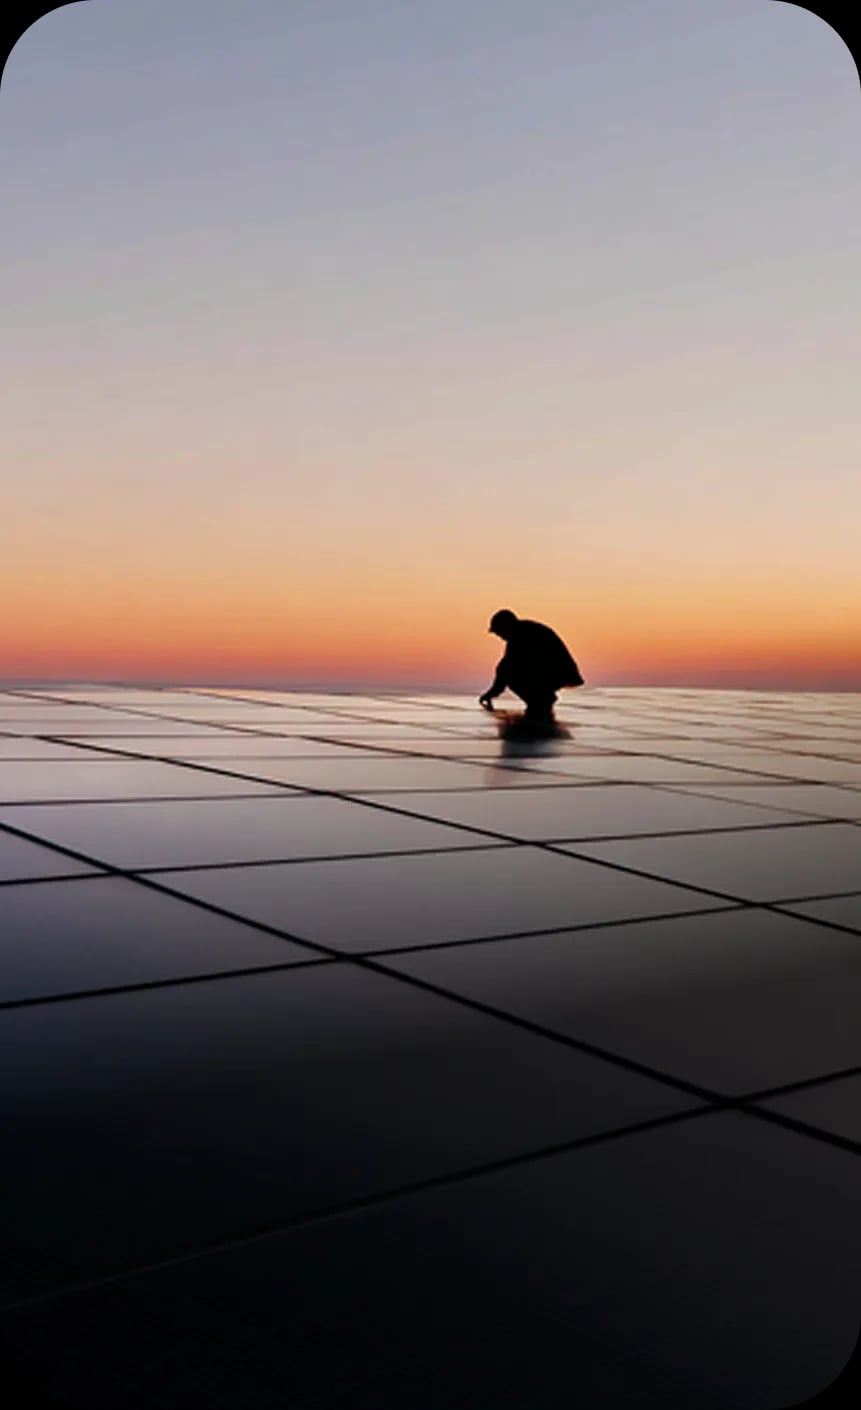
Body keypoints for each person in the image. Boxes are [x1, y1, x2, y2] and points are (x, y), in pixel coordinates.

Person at [478, 609, 584, 720]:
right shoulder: (524, 629)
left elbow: (506, 667)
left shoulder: (520, 634)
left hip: (558, 672)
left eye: (498, 631)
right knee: (512, 671)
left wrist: (492, 693)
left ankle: (540, 701)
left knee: (512, 676)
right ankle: (542, 700)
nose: (499, 636)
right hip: (556, 671)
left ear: (505, 626)